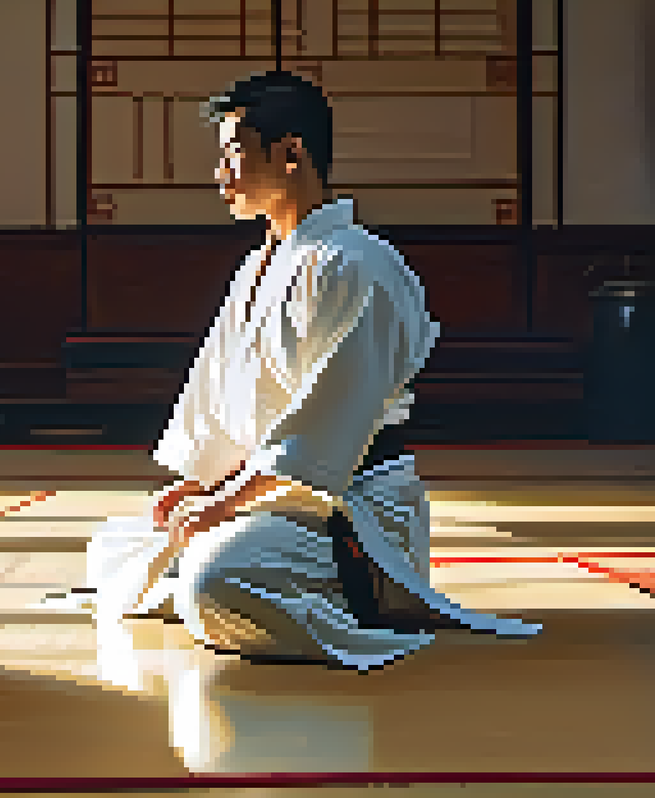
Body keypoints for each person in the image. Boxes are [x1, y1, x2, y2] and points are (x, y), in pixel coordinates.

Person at [61, 71, 540, 670]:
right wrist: (203, 483)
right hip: (270, 494)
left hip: (348, 505)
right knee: (118, 548)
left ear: (291, 154)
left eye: (234, 156)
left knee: (213, 583)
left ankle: (357, 596)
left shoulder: (358, 265)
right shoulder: (258, 267)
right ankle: (256, 570)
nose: (221, 176)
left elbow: (323, 430)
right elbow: (226, 398)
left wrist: (227, 502)